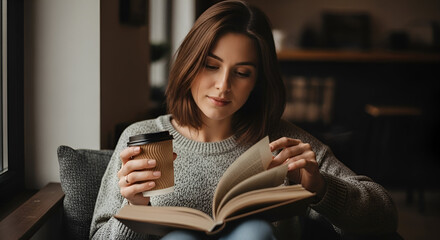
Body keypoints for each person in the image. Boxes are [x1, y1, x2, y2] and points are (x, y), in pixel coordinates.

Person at [90, 1, 398, 239]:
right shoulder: (146, 137)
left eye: (242, 73)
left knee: (255, 233)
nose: (223, 86)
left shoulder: (282, 143)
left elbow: (384, 216)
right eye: (211, 66)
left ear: (258, 82)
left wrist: (321, 189)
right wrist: (134, 210)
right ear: (189, 63)